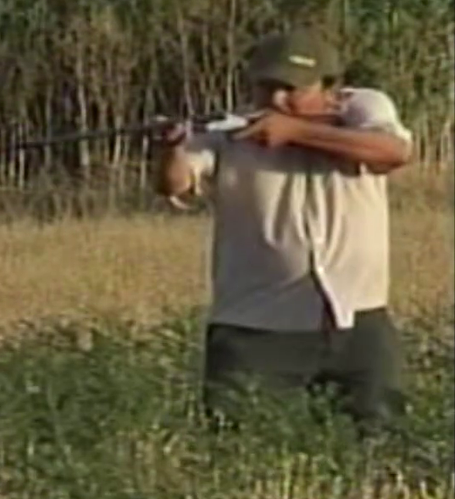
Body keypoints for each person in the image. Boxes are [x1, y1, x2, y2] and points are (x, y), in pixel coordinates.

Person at [151, 28, 416, 437]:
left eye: (291, 89)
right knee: (240, 448)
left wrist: (296, 133)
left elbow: (393, 153)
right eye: (266, 87)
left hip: (358, 320)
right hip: (256, 327)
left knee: (381, 444)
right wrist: (171, 147)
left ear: (331, 89)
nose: (276, 100)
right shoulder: (227, 132)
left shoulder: (364, 109)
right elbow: (175, 183)